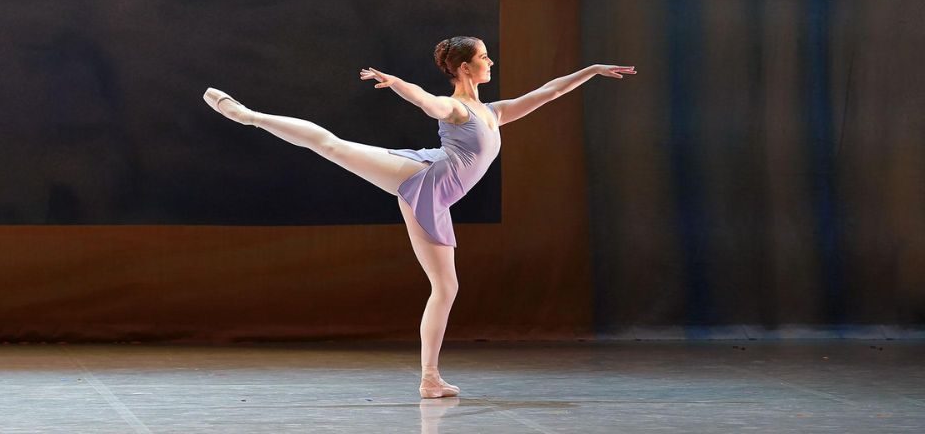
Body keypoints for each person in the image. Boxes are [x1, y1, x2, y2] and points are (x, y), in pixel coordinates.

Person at [203, 36, 636, 398]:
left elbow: (549, 92)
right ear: (465, 68)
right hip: (421, 177)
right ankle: (246, 116)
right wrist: (397, 84)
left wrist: (591, 70)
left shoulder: (494, 113)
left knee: (446, 287)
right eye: (484, 56)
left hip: (437, 198)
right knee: (332, 145)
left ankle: (430, 379)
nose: (491, 61)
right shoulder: (458, 108)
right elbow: (429, 103)